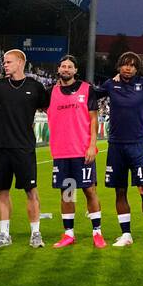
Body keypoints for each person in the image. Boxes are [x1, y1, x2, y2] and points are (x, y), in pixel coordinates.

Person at [0, 50, 52, 249]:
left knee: (31, 191)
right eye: (4, 62)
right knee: (2, 191)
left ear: (20, 63)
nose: (5, 65)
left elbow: (50, 107)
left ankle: (35, 234)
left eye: (8, 62)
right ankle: (4, 234)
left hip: (24, 146)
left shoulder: (35, 86)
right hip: (1, 145)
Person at [96, 52, 143, 247]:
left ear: (137, 68)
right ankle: (126, 235)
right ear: (119, 67)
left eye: (132, 65)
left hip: (138, 145)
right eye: (124, 65)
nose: (128, 68)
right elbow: (91, 96)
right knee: (120, 191)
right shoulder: (111, 84)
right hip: (116, 145)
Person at [46, 55, 106, 248]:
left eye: (70, 66)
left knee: (89, 190)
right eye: (63, 66)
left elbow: (94, 119)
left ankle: (97, 232)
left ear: (75, 70)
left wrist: (92, 145)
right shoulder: (50, 92)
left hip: (82, 151)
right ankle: (69, 234)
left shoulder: (86, 89)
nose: (66, 69)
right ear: (58, 69)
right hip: (62, 152)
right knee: (67, 193)